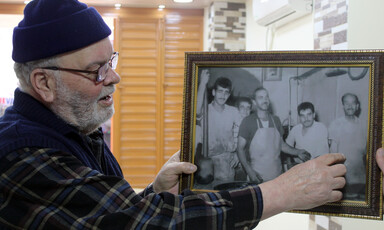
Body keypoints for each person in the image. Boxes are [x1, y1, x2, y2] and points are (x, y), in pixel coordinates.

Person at [0, 0, 349, 229]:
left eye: (112, 62)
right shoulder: (21, 155)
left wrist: (154, 191)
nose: (114, 78)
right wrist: (283, 192)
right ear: (43, 82)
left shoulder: (76, 127)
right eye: (96, 71)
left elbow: (105, 219)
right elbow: (149, 225)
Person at [237, 87, 311, 183]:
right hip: (257, 177)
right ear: (254, 102)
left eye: (266, 97)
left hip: (277, 176)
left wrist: (297, 152)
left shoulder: (276, 120)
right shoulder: (247, 121)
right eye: (261, 97)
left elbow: (281, 145)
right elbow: (239, 149)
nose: (265, 100)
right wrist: (249, 171)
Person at [195, 70, 241, 184]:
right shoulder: (205, 110)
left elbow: (243, 134)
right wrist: (202, 83)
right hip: (208, 162)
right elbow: (196, 110)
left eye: (226, 92)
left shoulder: (233, 111)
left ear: (229, 95)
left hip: (227, 161)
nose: (223, 95)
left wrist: (238, 154)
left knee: (227, 195)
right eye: (220, 91)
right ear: (214, 92)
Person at [328, 93, 367, 200]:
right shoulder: (336, 125)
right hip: (344, 177)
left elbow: (366, 152)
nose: (350, 106)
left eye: (353, 103)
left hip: (361, 177)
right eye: (346, 103)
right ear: (343, 106)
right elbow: (333, 154)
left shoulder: (364, 125)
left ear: (357, 106)